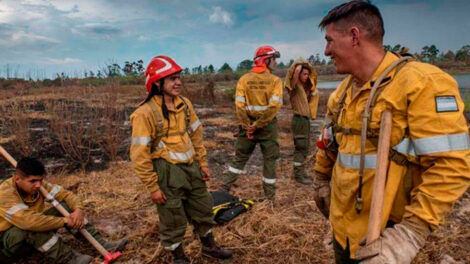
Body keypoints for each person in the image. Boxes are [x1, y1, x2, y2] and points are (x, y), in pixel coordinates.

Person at [313, 1, 470, 263]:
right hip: (343, 228)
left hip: (386, 235)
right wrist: (320, 179)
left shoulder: (421, 84)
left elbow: (451, 166)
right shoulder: (341, 93)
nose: (326, 51)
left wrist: (410, 234)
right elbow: (330, 141)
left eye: (329, 41)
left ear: (354, 36)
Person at [130, 55, 232, 264]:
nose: (178, 82)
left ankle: (209, 247)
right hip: (167, 173)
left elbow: (196, 135)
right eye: (171, 79)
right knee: (172, 217)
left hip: (191, 168)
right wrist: (153, 187)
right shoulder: (144, 113)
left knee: (203, 207)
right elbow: (139, 155)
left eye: (178, 77)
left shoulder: (184, 105)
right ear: (157, 83)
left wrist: (202, 164)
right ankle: (178, 257)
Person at [0, 157, 127, 264]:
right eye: (33, 181)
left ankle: (101, 245)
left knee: (65, 207)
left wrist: (78, 210)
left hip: (27, 239)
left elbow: (66, 195)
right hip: (6, 247)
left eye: (40, 180)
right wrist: (65, 221)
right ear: (17, 179)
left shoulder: (38, 185)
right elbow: (28, 221)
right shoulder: (5, 193)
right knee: (33, 226)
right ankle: (70, 260)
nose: (38, 185)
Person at [219, 46, 283, 201]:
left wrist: (248, 125)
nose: (275, 62)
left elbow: (239, 106)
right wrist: (258, 125)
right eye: (273, 59)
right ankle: (270, 199)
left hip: (246, 127)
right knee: (269, 160)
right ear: (265, 60)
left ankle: (223, 190)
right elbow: (274, 106)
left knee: (239, 158)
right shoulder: (275, 81)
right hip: (267, 127)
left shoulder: (244, 79)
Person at [284, 57, 319, 185]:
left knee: (305, 148)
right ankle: (298, 175)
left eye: (307, 74)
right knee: (300, 147)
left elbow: (312, 83)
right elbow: (293, 74)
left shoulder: (304, 89)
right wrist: (299, 65)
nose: (306, 76)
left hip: (305, 120)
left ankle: (301, 172)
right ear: (298, 74)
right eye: (304, 74)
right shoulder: (293, 87)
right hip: (298, 120)